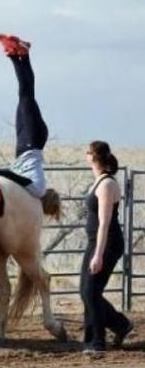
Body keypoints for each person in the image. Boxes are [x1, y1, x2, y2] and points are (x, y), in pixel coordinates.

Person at [80, 141, 133, 353]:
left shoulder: (107, 185)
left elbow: (104, 222)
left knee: (91, 291)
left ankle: (97, 343)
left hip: (107, 244)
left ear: (94, 156)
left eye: (87, 152)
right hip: (95, 242)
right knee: (86, 291)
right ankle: (120, 325)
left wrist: (98, 255)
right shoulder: (98, 181)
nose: (86, 155)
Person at [0, 34, 48, 199]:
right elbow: (16, 178)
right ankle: (21, 55)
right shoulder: (38, 189)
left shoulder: (32, 192)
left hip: (26, 144)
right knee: (26, 95)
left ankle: (18, 54)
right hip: (32, 140)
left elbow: (15, 178)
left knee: (26, 95)